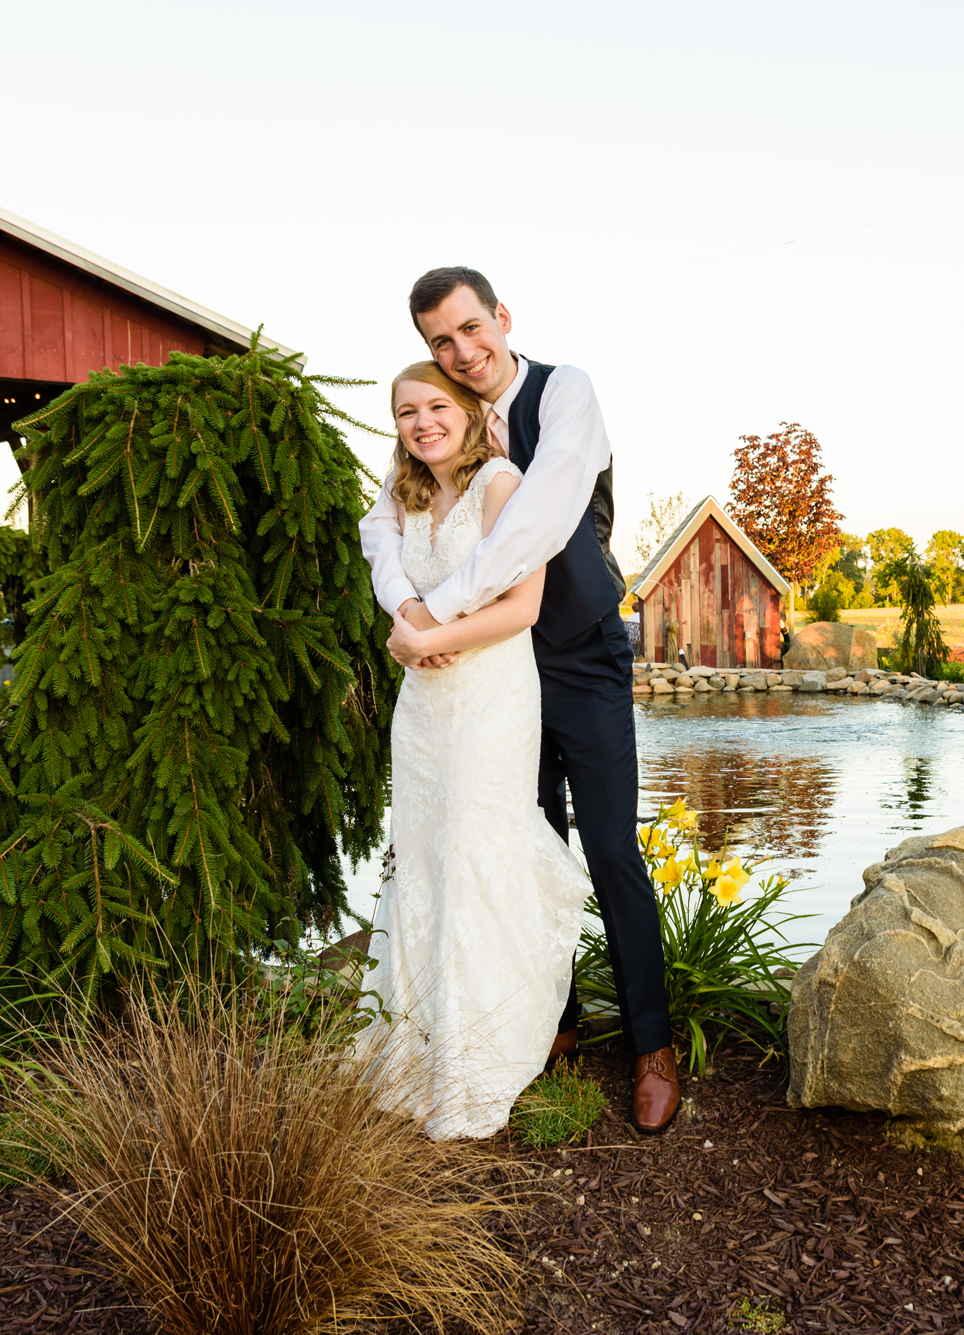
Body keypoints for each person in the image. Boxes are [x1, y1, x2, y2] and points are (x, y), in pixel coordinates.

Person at [359, 267, 680, 1135]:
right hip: (492, 680)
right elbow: (387, 522)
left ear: (502, 316)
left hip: (574, 656)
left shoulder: (563, 394)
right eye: (441, 343)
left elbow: (537, 522)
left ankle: (652, 1045)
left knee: (611, 849)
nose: (463, 353)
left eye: (471, 329)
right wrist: (411, 610)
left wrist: (436, 620)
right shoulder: (441, 429)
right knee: (520, 843)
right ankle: (553, 1026)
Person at [355, 362, 587, 1139]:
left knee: (473, 848)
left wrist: (429, 638)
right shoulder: (401, 499)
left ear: (469, 412)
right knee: (421, 856)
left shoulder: (503, 486)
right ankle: (415, 1043)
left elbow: (522, 606)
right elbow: (391, 581)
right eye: (405, 412)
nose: (421, 422)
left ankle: (481, 1054)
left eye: (435, 406)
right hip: (422, 705)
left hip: (490, 695)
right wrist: (412, 638)